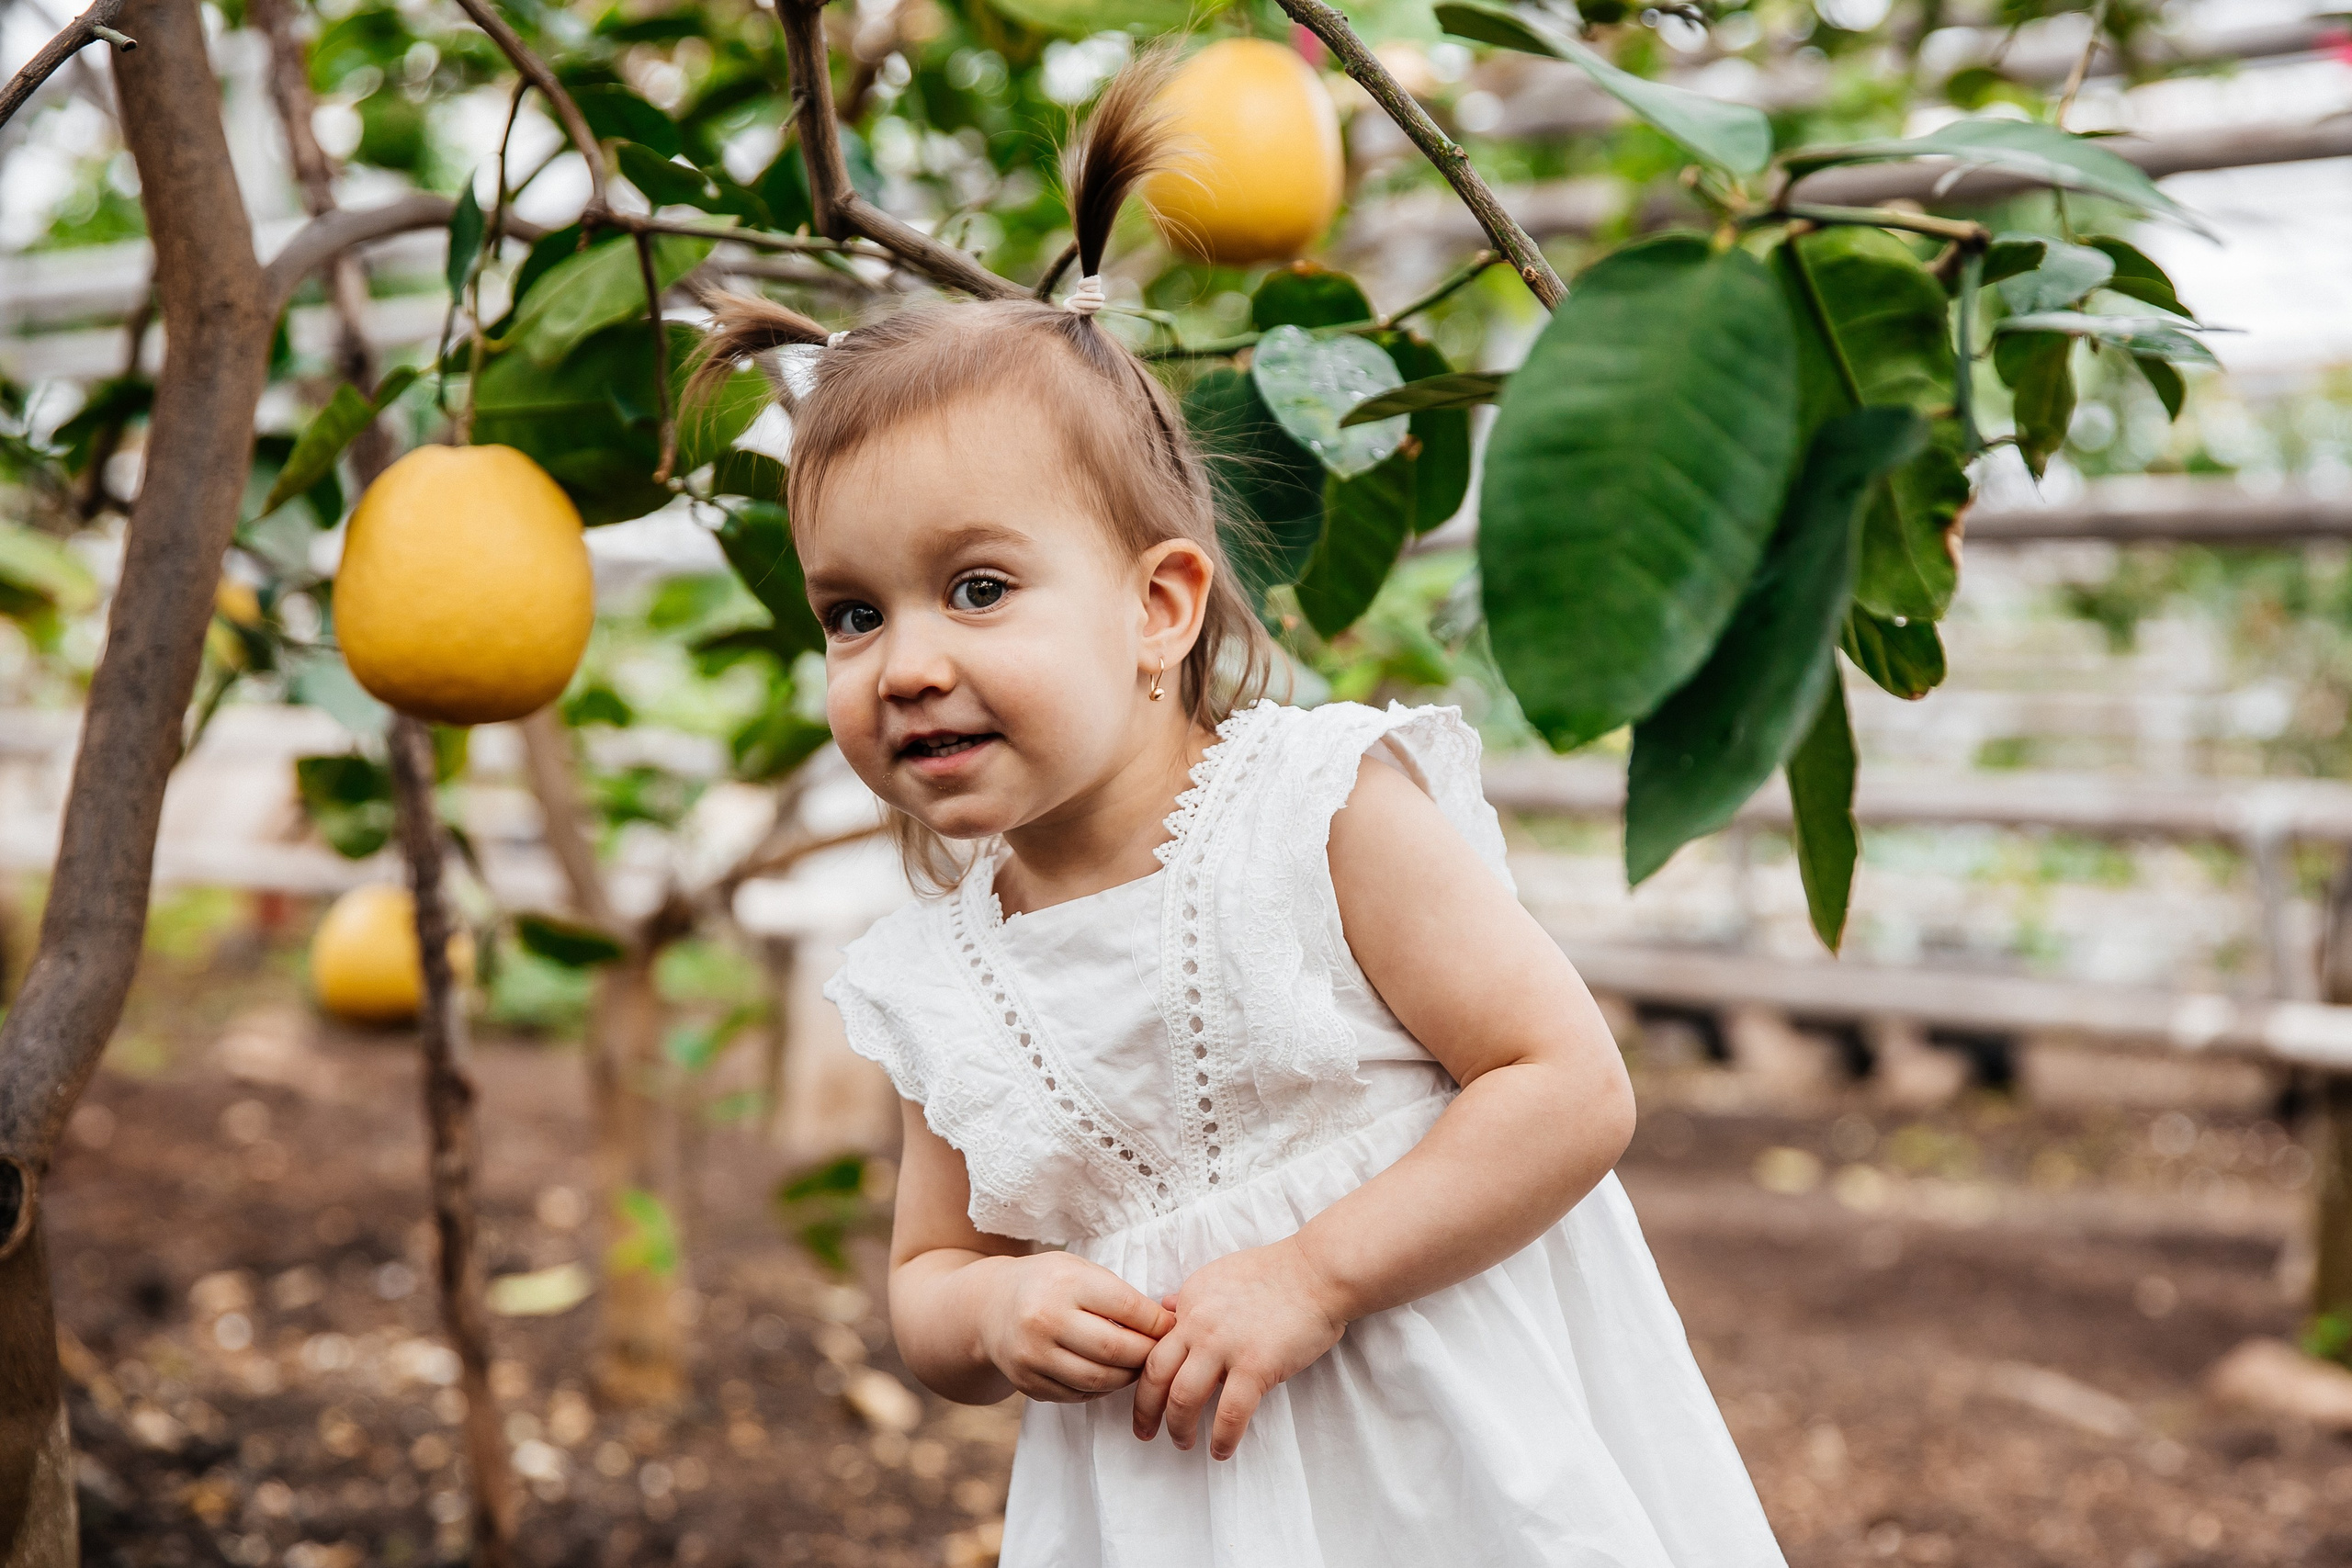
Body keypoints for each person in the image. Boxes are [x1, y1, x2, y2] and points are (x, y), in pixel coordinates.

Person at [687, 51, 1786, 1568]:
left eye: (980, 589)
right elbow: (928, 1282)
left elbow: (1566, 1087)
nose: (906, 664)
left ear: (1159, 606)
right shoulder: (944, 974)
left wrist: (1317, 1273)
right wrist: (997, 1310)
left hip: (1451, 1471)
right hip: (1180, 1510)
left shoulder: (1314, 809)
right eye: (852, 616)